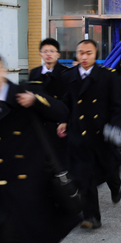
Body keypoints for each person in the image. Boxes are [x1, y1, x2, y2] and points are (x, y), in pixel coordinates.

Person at [0, 51, 79, 243]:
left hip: (32, 180)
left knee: (15, 234)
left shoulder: (23, 93)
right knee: (0, 234)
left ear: (4, 70)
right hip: (1, 183)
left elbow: (62, 111)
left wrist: (36, 101)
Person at [58, 40, 121, 230]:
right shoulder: (69, 76)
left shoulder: (107, 77)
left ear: (96, 55)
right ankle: (91, 217)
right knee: (84, 176)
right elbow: (66, 104)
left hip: (102, 133)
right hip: (79, 134)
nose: (85, 57)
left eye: (89, 53)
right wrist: (63, 120)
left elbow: (118, 105)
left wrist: (116, 127)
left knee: (109, 167)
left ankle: (115, 183)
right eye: (81, 53)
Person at [29, 38, 69, 168]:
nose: (48, 54)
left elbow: (68, 100)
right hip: (40, 123)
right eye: (45, 51)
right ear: (40, 54)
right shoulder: (34, 73)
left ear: (58, 54)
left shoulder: (66, 73)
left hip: (58, 123)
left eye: (52, 51)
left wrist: (65, 121)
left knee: (59, 158)